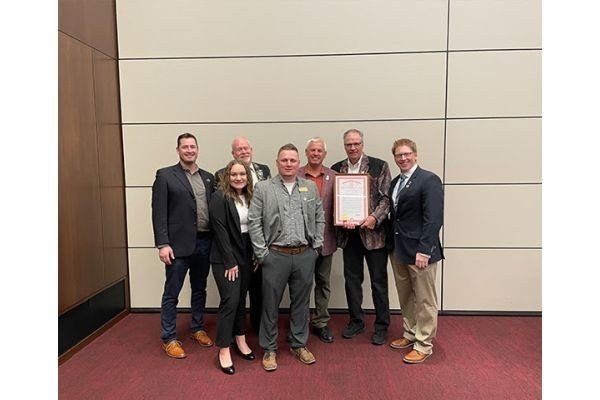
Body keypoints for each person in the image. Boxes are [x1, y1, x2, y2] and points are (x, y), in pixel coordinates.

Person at [248, 143, 325, 372]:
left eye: (292, 160)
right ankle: (269, 348)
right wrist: (262, 253)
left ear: (299, 163)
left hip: (304, 255)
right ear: (277, 162)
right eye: (284, 160)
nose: (288, 164)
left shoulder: (309, 187)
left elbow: (319, 216)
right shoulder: (263, 188)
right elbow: (254, 221)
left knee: (301, 303)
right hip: (275, 255)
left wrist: (316, 247)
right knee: (270, 304)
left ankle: (298, 344)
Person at [151, 132, 214, 359]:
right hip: (177, 246)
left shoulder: (208, 178)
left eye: (192, 146)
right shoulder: (165, 175)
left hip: (205, 242)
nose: (189, 150)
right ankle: (169, 338)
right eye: (185, 147)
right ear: (178, 150)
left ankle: (197, 328)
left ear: (198, 149)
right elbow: (158, 212)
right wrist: (163, 244)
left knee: (199, 289)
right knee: (172, 292)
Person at [331, 128, 391, 345]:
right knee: (352, 281)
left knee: (378, 282)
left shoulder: (379, 165)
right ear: (344, 146)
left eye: (356, 143)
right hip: (350, 236)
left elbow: (386, 199)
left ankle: (382, 325)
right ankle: (356, 321)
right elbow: (333, 201)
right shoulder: (336, 169)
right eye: (349, 144)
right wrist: (341, 218)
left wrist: (374, 217)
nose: (353, 147)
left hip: (374, 235)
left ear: (362, 144)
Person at [387, 138, 444, 364]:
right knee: (406, 295)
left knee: (425, 299)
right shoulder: (395, 182)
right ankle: (410, 333)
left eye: (407, 154)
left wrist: (425, 250)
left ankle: (424, 344)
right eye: (399, 155)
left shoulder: (429, 180)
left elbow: (434, 218)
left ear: (415, 155)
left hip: (420, 252)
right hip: (399, 249)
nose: (403, 158)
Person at [215, 136, 271, 334]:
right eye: (239, 149)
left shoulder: (264, 171)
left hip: (257, 241)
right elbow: (221, 220)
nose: (244, 151)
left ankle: (257, 327)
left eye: (246, 148)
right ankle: (233, 333)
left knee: (258, 288)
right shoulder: (221, 176)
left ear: (251, 150)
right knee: (235, 294)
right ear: (233, 154)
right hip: (233, 243)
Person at [209, 160, 256, 375]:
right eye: (234, 174)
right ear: (227, 177)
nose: (238, 178)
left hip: (246, 253)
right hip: (225, 257)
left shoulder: (250, 196)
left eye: (242, 174)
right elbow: (219, 231)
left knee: (241, 300)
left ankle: (240, 338)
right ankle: (224, 348)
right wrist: (230, 261)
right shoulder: (219, 197)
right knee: (230, 300)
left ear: (248, 176)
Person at [298, 138, 337, 343]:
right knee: (302, 284)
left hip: (326, 240)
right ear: (306, 152)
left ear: (324, 154)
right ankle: (300, 322)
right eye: (312, 150)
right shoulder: (295, 175)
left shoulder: (334, 177)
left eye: (319, 150)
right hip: (300, 241)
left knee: (323, 282)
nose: (315, 153)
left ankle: (321, 322)